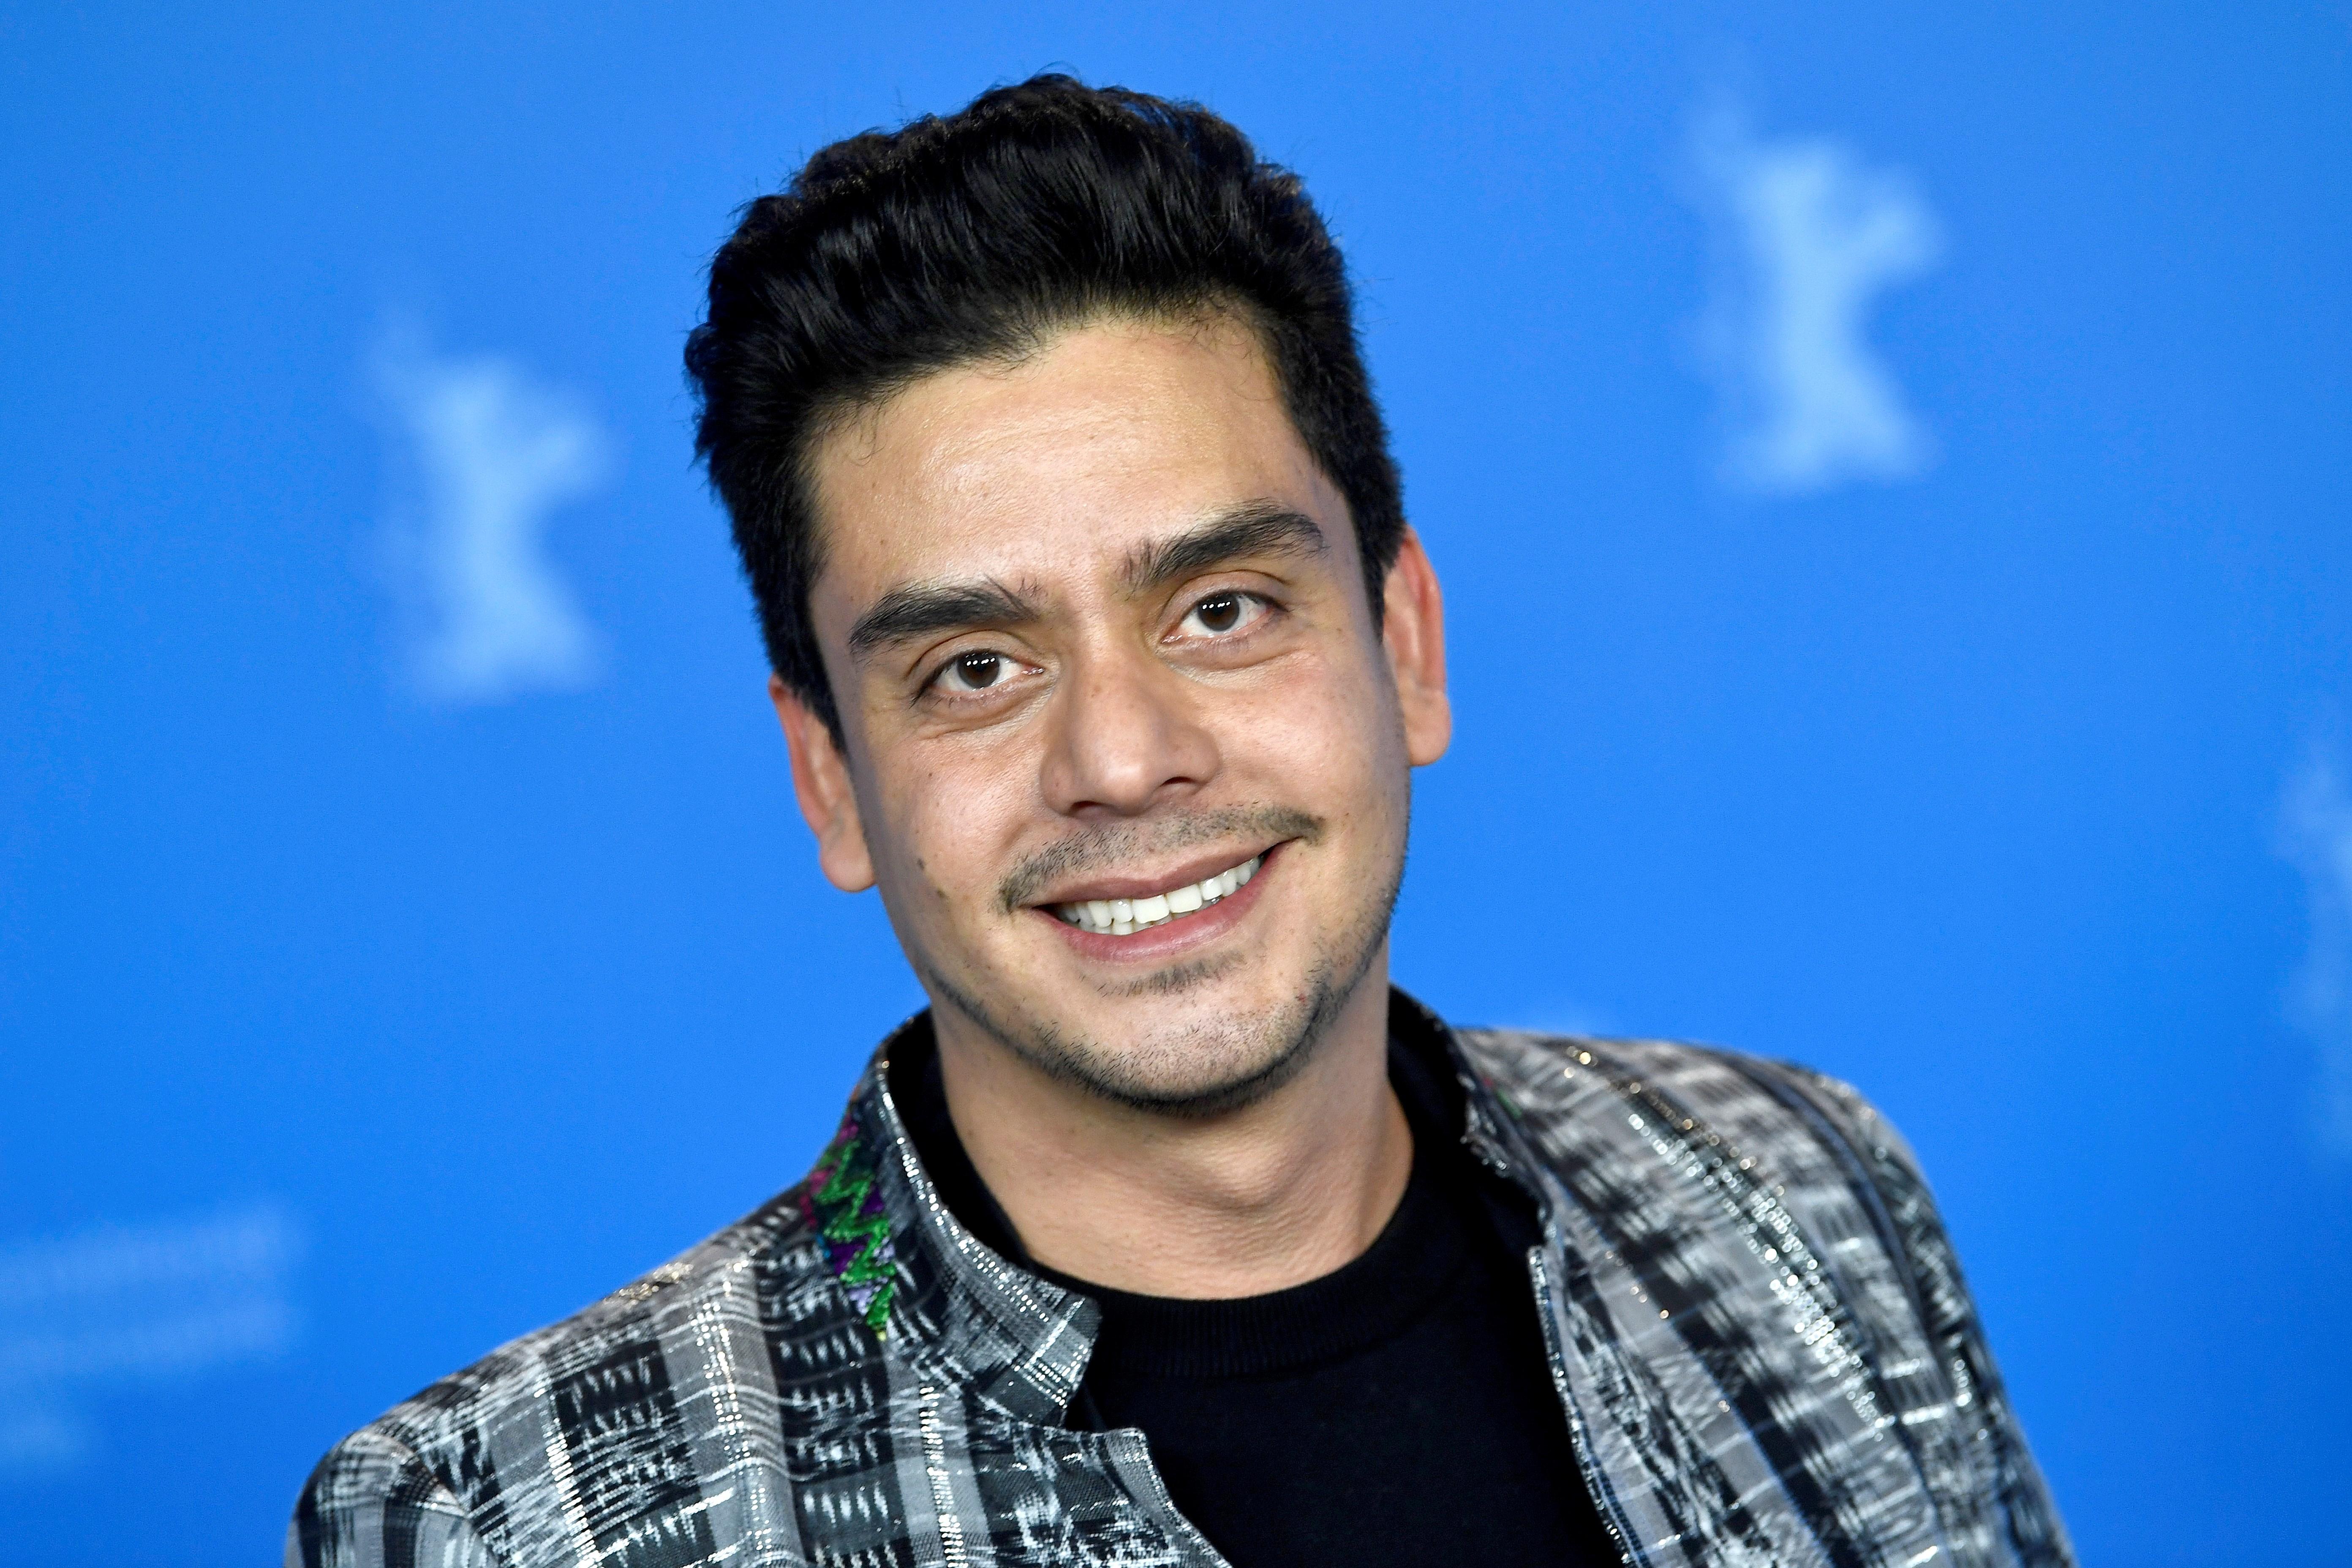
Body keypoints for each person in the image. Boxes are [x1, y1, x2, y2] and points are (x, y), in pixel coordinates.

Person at [290, 76, 2073, 1568]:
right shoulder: (512, 1524)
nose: (1124, 760)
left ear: (1406, 642)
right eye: (975, 665)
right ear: (831, 778)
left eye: (1219, 609)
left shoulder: (1797, 1190)